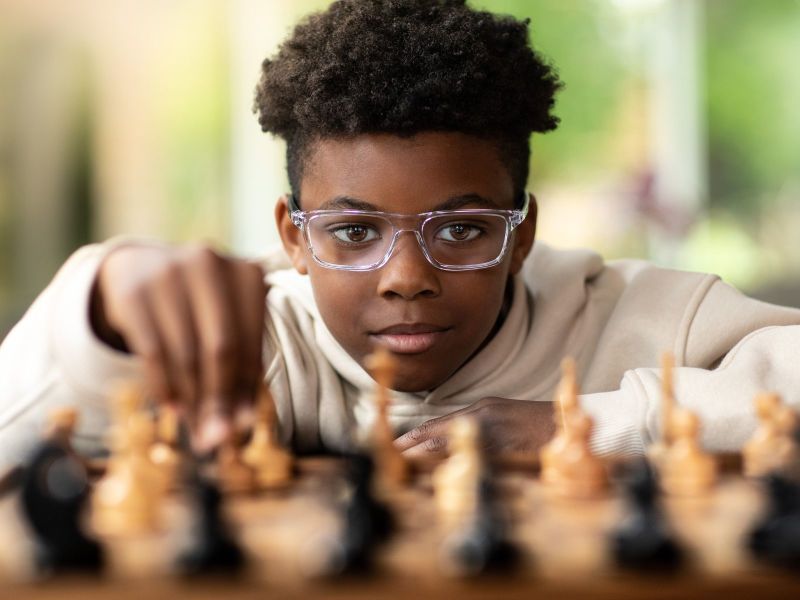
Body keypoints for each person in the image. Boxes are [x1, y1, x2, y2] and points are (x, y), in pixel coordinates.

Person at [1, 0, 799, 468]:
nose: (406, 277)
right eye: (351, 231)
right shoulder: (248, 340)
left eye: (461, 228)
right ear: (292, 236)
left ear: (524, 235)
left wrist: (581, 422)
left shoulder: (638, 317)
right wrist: (99, 310)